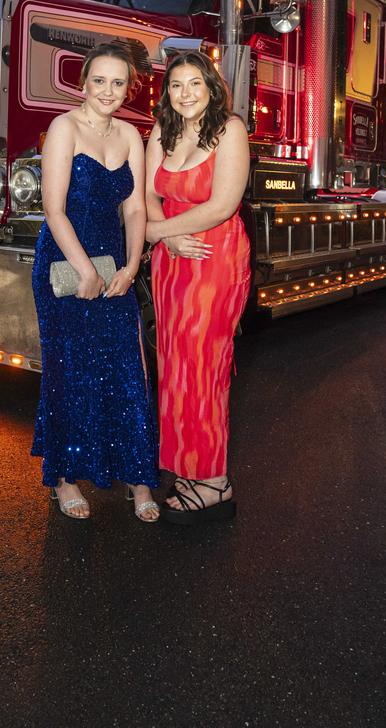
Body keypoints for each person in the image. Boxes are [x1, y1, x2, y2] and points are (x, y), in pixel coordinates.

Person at [31, 42, 160, 522]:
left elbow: (135, 207)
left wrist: (131, 267)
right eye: (99, 80)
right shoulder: (64, 129)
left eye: (118, 82)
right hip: (65, 265)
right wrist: (85, 268)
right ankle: (64, 478)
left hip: (115, 269)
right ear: (83, 83)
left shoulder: (131, 135)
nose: (108, 90)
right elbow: (54, 210)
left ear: (130, 88)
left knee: (126, 370)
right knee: (71, 371)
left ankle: (138, 477)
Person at [145, 50, 250, 525]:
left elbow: (223, 205)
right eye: (175, 85)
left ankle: (214, 481)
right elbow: (148, 196)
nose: (184, 94)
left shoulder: (230, 130)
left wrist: (158, 232)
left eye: (194, 84)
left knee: (204, 364)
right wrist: (158, 234)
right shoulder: (160, 132)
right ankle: (187, 470)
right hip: (171, 262)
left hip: (216, 258)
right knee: (175, 364)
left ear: (211, 87)